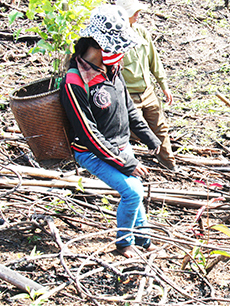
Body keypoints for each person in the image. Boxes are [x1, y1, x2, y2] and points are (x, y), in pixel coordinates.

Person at [60, 4, 161, 258]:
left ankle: (144, 240)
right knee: (133, 191)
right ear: (99, 46)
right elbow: (87, 132)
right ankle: (124, 242)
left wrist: (149, 136)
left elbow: (129, 108)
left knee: (134, 189)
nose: (122, 54)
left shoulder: (111, 69)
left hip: (120, 145)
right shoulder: (75, 82)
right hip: (92, 152)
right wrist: (125, 162)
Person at [116, 0, 177, 171]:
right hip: (128, 94)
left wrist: (163, 84)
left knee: (160, 128)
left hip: (148, 92)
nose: (137, 15)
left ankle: (169, 165)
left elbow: (153, 60)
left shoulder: (141, 32)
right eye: (133, 12)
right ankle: (130, 166)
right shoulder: (115, 37)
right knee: (129, 131)